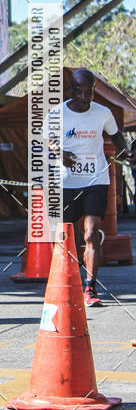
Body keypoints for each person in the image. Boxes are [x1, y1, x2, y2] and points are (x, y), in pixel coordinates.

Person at [62, 69, 133, 307]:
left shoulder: (103, 113)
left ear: (93, 89)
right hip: (67, 181)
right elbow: (45, 141)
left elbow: (116, 136)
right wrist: (59, 153)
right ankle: (66, 285)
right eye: (79, 91)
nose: (85, 97)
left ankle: (90, 288)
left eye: (89, 92)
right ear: (71, 89)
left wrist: (126, 150)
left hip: (96, 180)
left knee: (91, 233)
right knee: (66, 238)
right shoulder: (57, 113)